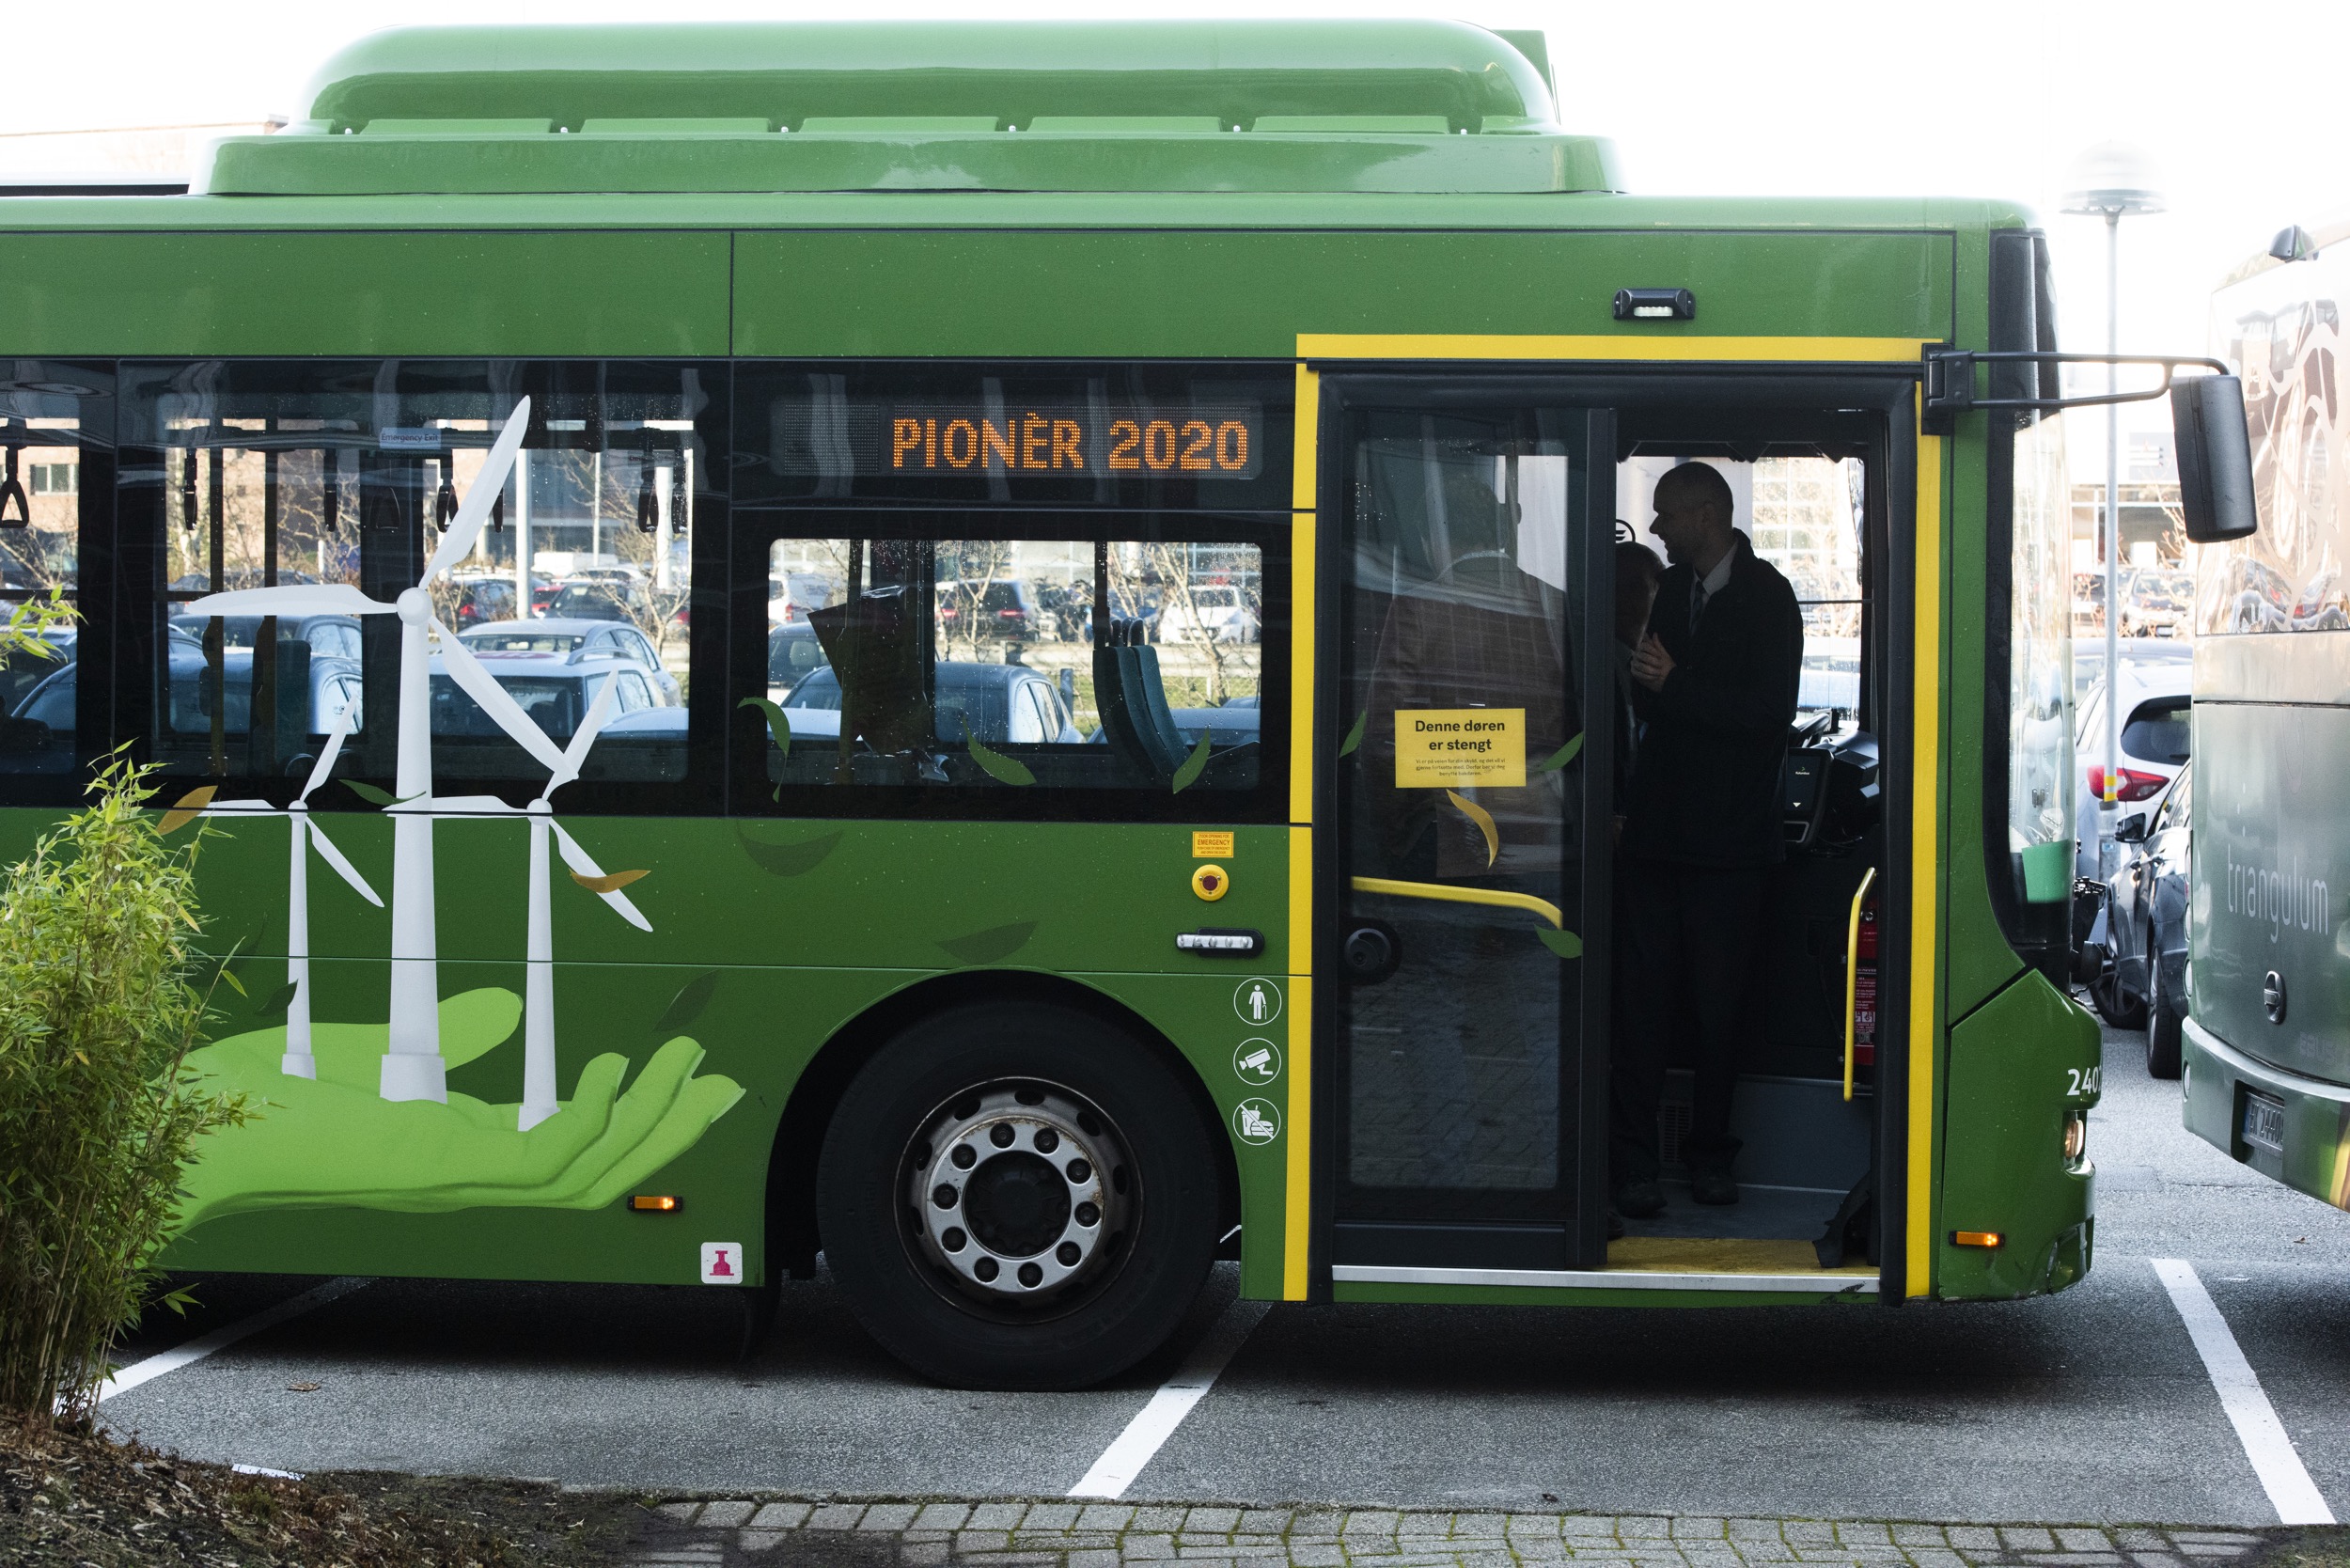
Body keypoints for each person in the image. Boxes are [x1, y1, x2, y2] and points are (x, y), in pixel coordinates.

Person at [1611, 463, 1803, 1215]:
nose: (1655, 528)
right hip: (1657, 838)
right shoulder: (1672, 593)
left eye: (1665, 514)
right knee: (1640, 1011)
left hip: (1729, 847)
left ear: (1705, 515)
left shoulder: (1770, 597)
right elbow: (1647, 696)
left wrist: (1674, 687)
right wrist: (1655, 686)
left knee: (1720, 1015)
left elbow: (1769, 716)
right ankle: (1633, 1166)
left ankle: (1710, 1159)